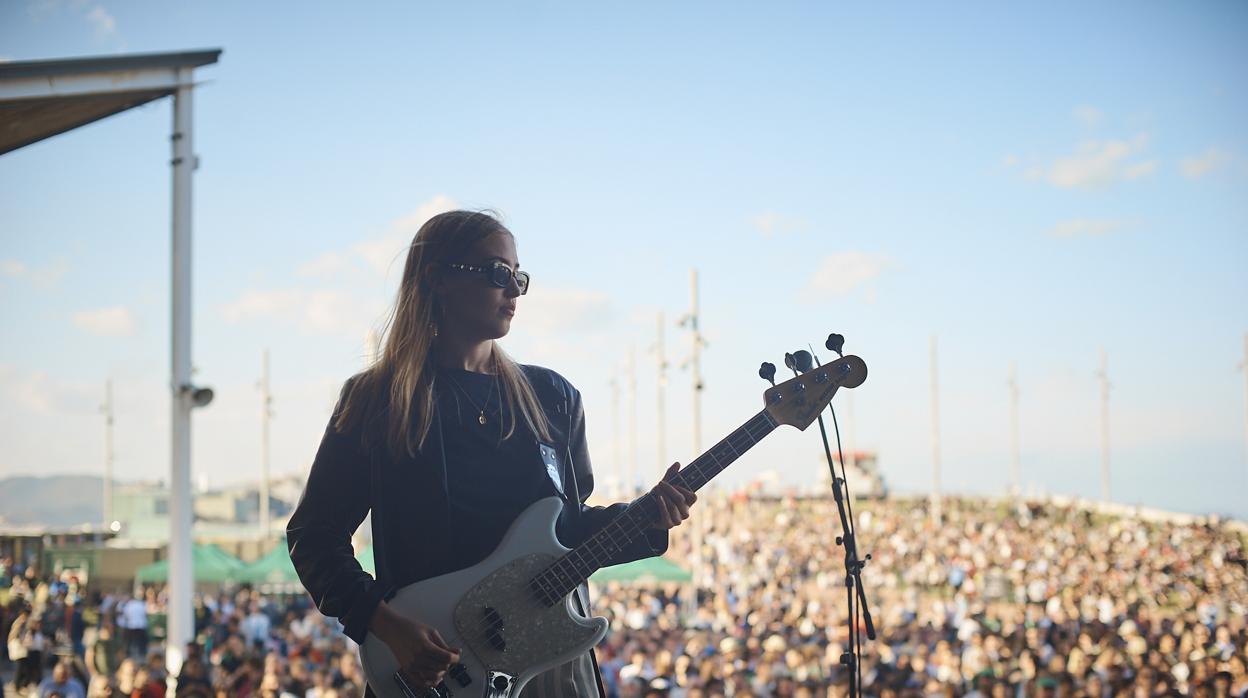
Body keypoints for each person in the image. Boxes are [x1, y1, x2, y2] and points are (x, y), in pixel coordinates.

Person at [287, 210, 698, 696]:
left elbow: (566, 533)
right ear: (436, 277)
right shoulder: (377, 399)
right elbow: (314, 537)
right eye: (497, 273)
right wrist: (387, 626)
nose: (515, 289)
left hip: (550, 665)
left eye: (519, 276)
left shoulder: (554, 397)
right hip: (434, 667)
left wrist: (645, 519)